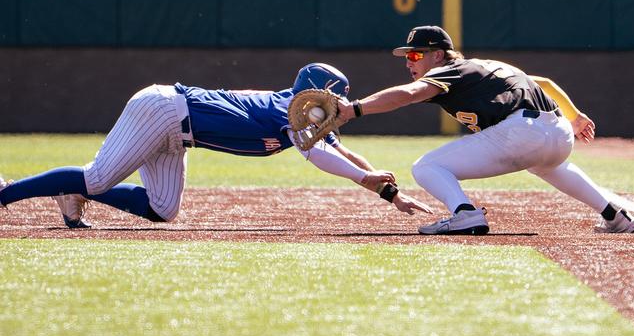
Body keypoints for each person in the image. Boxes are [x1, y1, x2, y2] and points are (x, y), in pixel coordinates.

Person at [0, 63, 432, 227]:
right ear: (312, 95)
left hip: (179, 132)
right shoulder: (292, 110)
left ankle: (72, 191)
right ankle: (8, 192)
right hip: (165, 109)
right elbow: (320, 155)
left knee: (160, 209)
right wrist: (366, 178)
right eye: (330, 98)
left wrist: (388, 191)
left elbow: (340, 152)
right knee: (98, 176)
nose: (336, 107)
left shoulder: (304, 118)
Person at [335, 25, 634, 235]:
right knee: (544, 166)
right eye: (408, 57)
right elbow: (543, 83)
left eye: (416, 55)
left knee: (426, 166)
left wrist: (354, 108)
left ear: (438, 55)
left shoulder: (448, 71)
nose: (409, 62)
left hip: (522, 131)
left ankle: (464, 213)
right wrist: (575, 117)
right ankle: (614, 215)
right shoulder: (481, 68)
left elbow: (409, 94)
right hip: (558, 132)